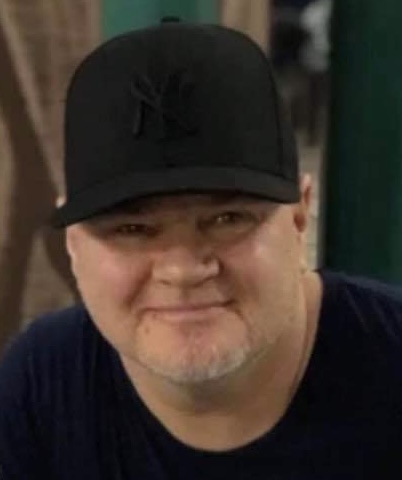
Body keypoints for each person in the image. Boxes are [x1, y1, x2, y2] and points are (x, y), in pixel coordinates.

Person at [1, 21, 402, 480]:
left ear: (298, 216)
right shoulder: (41, 386)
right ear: (73, 242)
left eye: (227, 219)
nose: (183, 269)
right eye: (132, 228)